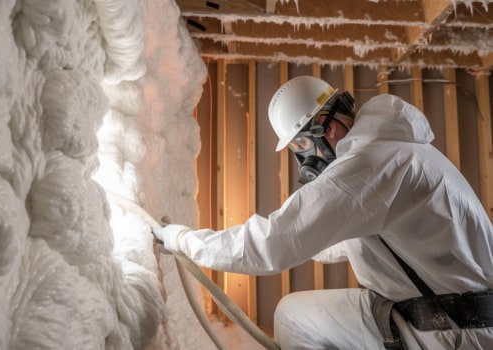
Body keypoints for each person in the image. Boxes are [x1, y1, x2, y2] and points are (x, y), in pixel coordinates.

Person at [153, 76, 493, 349]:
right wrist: (307, 233)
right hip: (464, 320)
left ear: (326, 128)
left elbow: (270, 245)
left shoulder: (367, 165)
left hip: (452, 330)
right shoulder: (398, 152)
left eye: (301, 146)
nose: (304, 159)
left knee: (292, 316)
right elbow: (348, 241)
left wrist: (180, 239)